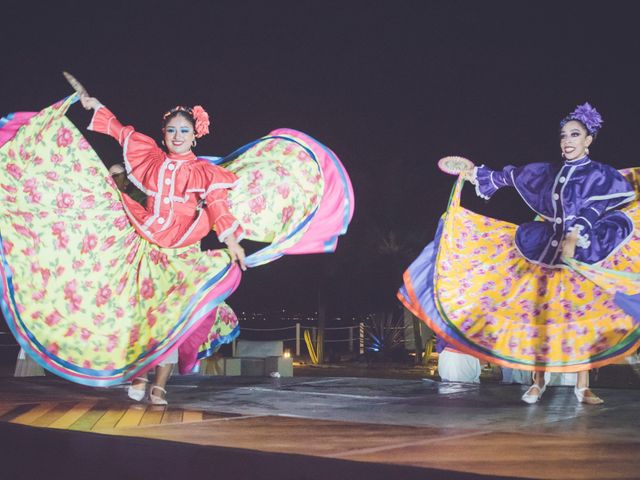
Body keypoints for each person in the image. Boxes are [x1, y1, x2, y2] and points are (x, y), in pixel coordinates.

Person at [0, 87, 354, 404]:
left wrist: (233, 241)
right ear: (164, 134)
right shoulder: (152, 159)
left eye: (184, 130)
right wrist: (94, 105)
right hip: (147, 245)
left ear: (195, 136)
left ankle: (160, 385)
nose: (177, 135)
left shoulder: (203, 173)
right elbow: (121, 131)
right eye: (171, 130)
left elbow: (218, 208)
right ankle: (140, 373)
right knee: (147, 319)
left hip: (182, 255)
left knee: (173, 318)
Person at [399, 103, 640, 405]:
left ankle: (583, 386)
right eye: (563, 135)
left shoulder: (599, 175)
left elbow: (593, 208)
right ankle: (537, 383)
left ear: (588, 140)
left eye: (575, 135)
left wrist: (575, 235)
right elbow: (513, 176)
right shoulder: (550, 171)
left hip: (584, 247)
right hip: (546, 248)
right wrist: (477, 174)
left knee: (578, 316)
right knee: (540, 314)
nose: (567, 141)